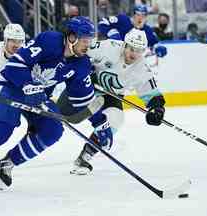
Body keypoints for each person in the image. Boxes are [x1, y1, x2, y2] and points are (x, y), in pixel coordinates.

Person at [0, 16, 113, 191]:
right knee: (0, 132)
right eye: (85, 40)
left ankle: (6, 164)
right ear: (72, 37)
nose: (88, 45)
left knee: (53, 130)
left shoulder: (81, 64)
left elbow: (83, 99)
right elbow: (15, 64)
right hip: (12, 87)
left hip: (38, 97)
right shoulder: (50, 40)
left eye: (90, 41)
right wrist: (28, 84)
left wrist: (100, 123)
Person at [59, 29, 166, 175]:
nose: (134, 54)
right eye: (131, 49)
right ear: (124, 45)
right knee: (60, 114)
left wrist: (157, 109)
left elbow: (151, 94)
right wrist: (84, 70)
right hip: (87, 87)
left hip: (111, 97)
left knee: (116, 119)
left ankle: (84, 157)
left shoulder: (142, 68)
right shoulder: (108, 47)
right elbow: (80, 53)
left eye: (139, 51)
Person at [98, 4, 167, 58]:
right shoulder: (123, 19)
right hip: (113, 54)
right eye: (138, 14)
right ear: (133, 15)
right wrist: (112, 33)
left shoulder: (147, 30)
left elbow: (154, 43)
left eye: (143, 15)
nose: (140, 18)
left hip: (132, 61)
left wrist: (158, 48)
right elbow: (103, 23)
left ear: (146, 17)